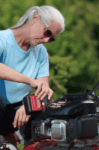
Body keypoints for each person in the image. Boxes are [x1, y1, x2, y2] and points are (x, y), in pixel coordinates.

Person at [0, 5, 65, 137]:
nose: (46, 40)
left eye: (51, 38)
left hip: (13, 108)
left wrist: (27, 107)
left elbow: (42, 92)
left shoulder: (41, 52)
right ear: (35, 19)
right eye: (47, 32)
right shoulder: (2, 39)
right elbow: (34, 83)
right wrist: (30, 80)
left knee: (45, 115)